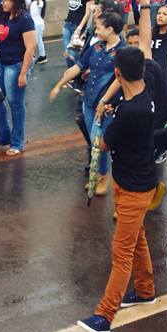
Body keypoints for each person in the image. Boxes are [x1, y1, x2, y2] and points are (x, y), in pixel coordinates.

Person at [76, 0, 167, 332]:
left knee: (122, 254)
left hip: (132, 186)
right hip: (141, 180)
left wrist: (104, 115)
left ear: (118, 74)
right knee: (138, 238)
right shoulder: (147, 88)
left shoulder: (129, 112)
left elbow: (101, 143)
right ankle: (145, 290)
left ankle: (104, 315)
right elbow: (144, 47)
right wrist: (145, 7)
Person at [49, 12, 126, 196]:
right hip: (89, 101)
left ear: (110, 29)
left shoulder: (122, 51)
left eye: (99, 27)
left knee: (99, 142)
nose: (95, 30)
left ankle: (103, 177)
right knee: (94, 142)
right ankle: (98, 175)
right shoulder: (96, 46)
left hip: (106, 107)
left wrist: (104, 101)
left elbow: (119, 79)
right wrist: (58, 85)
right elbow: (79, 67)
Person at [0, 0, 36, 156]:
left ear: (14, 1)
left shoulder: (25, 20)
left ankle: (17, 142)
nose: (2, 3)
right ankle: (4, 136)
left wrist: (23, 73)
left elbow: (30, 48)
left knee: (15, 104)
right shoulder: (2, 14)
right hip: (1, 61)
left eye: (5, 0)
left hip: (16, 65)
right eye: (2, 0)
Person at [54, 0, 95, 65]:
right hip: (68, 25)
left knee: (73, 55)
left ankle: (74, 75)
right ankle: (72, 76)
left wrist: (79, 28)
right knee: (67, 53)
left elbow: (87, 13)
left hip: (78, 27)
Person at [29, 0, 48, 64]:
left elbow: (38, 3)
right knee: (33, 41)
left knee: (38, 41)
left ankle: (43, 56)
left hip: (38, 25)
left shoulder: (40, 2)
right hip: (34, 25)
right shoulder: (32, 2)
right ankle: (33, 55)